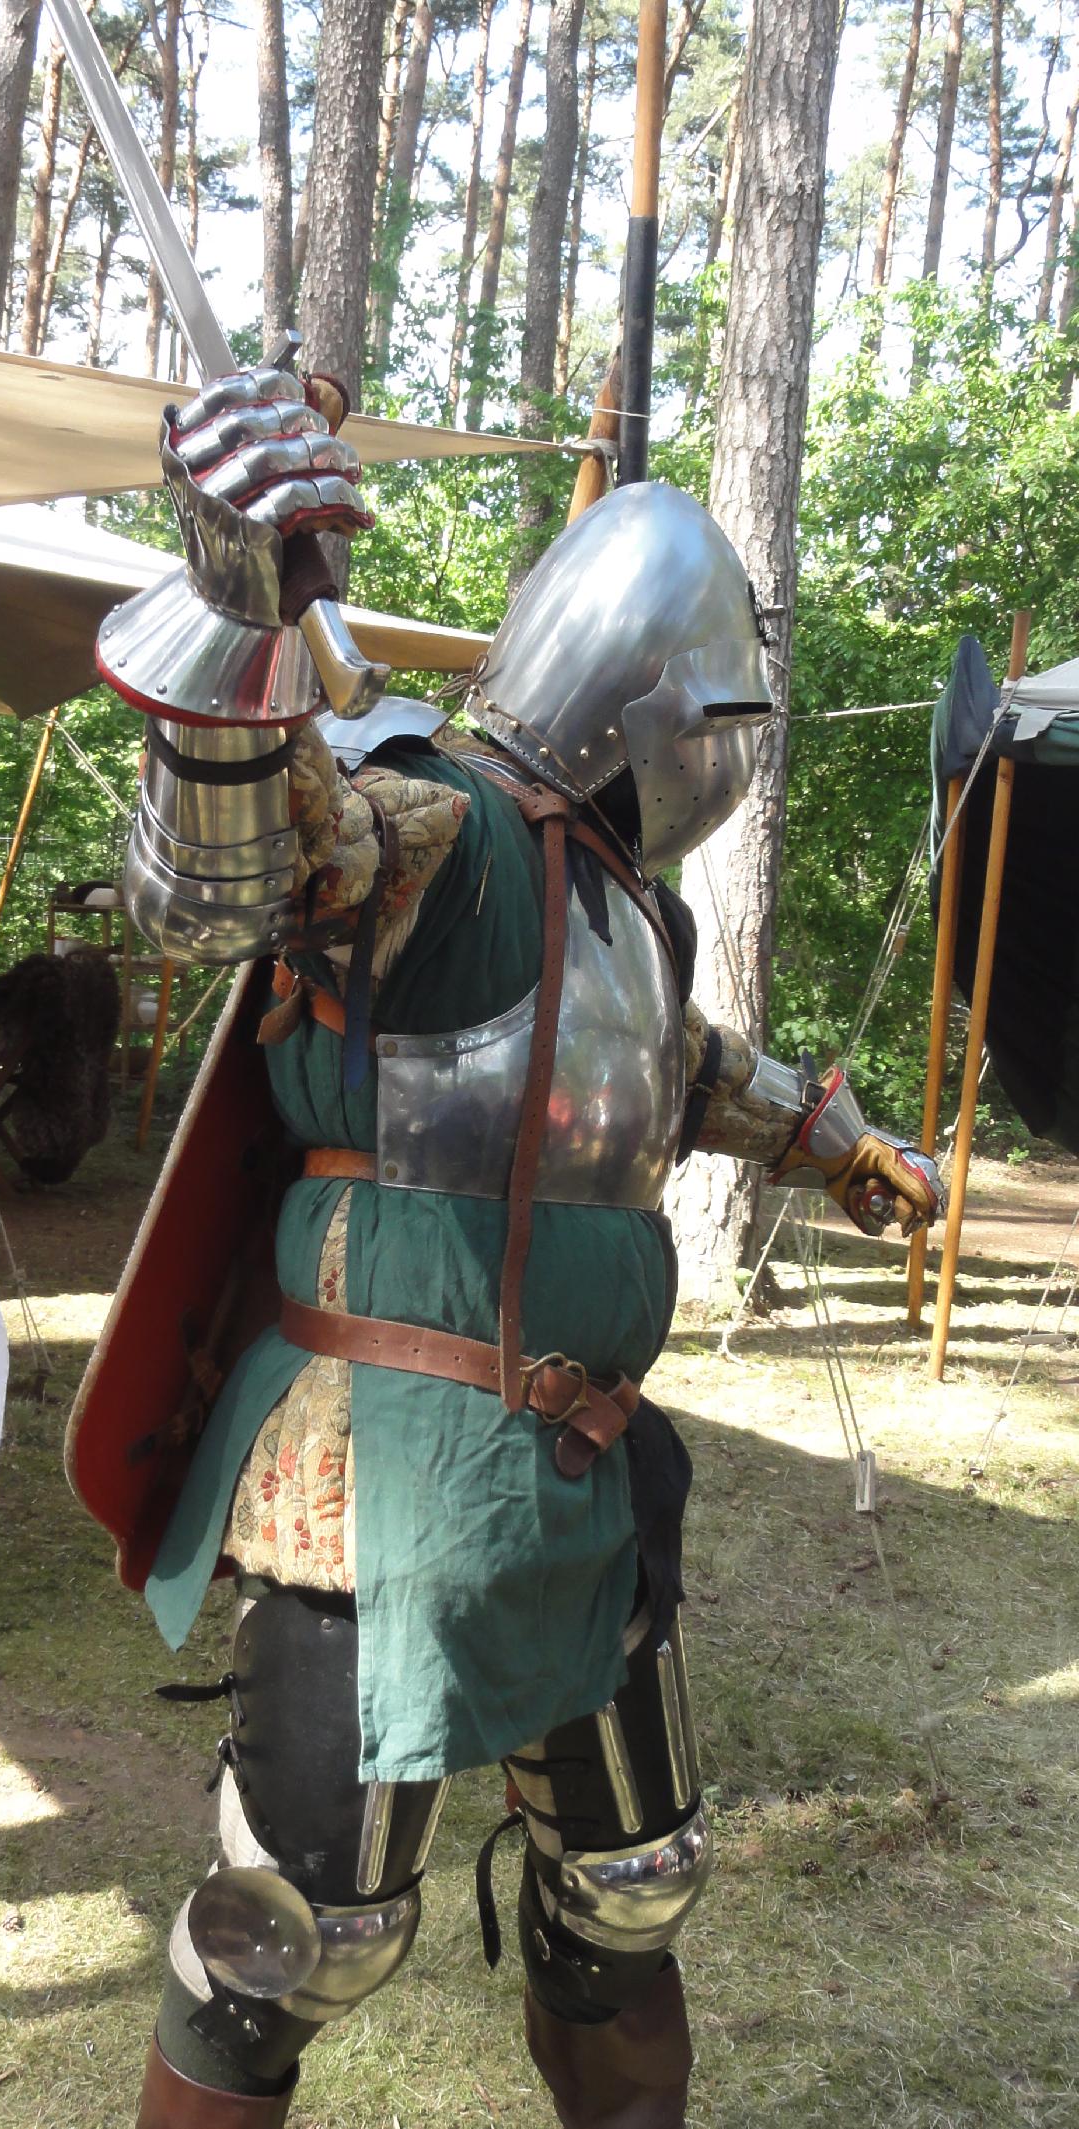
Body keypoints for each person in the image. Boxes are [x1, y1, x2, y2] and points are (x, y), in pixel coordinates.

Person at [82, 354, 944, 2127]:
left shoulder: (627, 910)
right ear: (649, 703)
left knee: (633, 1886)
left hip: (573, 1470)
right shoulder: (443, 821)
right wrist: (235, 615)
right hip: (388, 1479)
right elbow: (228, 887)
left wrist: (843, 1142)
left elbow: (687, 1068)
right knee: (297, 1938)